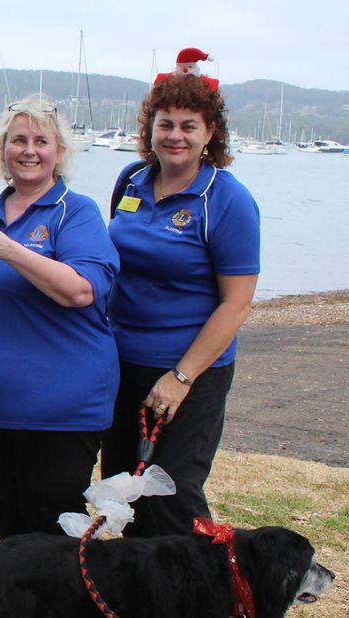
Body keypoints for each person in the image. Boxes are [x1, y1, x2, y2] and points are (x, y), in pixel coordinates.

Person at [0, 94, 119, 539]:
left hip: (59, 410)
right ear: (2, 150)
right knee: (9, 516)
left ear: (59, 153)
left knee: (52, 526)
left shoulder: (75, 212)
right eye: (18, 139)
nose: (29, 150)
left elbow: (81, 290)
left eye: (41, 141)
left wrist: (9, 250)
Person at [101, 70, 260, 537]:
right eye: (165, 124)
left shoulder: (226, 200)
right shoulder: (131, 181)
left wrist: (181, 377)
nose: (175, 136)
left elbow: (238, 302)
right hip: (121, 363)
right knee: (122, 492)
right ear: (150, 128)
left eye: (189, 125)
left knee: (172, 499)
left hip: (190, 374)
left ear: (210, 132)